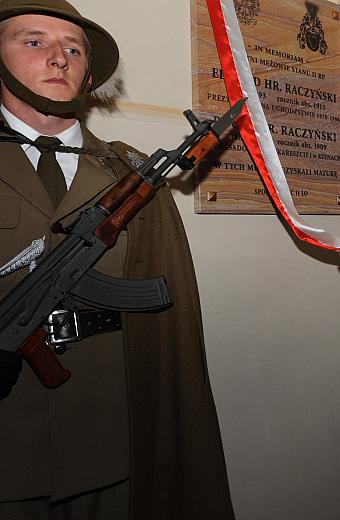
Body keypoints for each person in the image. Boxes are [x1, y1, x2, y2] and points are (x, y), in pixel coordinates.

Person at [0, 1, 234, 518]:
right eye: (33, 41)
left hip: (114, 434)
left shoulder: (128, 173)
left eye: (74, 48)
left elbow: (171, 317)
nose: (59, 58)